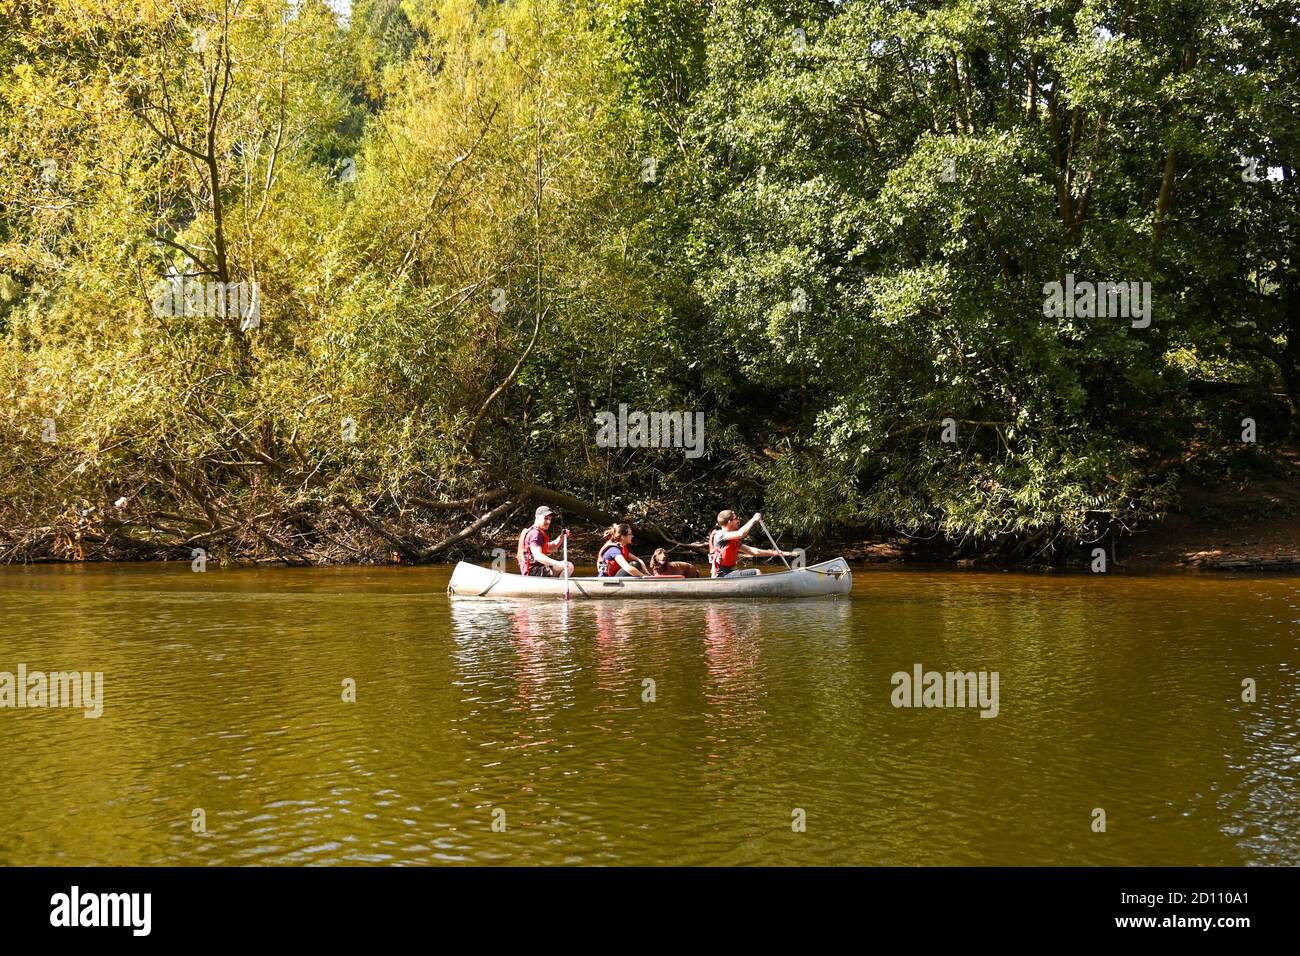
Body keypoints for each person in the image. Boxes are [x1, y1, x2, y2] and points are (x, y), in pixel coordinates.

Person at [708, 510, 797, 577]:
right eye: (735, 519)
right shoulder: (720, 535)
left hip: (729, 573)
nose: (738, 521)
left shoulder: (733, 540)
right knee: (756, 572)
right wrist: (753, 519)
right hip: (721, 575)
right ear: (729, 522)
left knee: (752, 572)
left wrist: (773, 553)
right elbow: (741, 534)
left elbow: (753, 552)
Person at [516, 506, 574, 577]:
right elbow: (538, 556)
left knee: (564, 565)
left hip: (533, 569)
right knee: (569, 566)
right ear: (537, 517)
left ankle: (556, 584)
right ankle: (559, 587)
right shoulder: (535, 534)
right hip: (533, 571)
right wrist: (557, 563)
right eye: (546, 518)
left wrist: (561, 537)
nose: (549, 522)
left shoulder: (535, 531)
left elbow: (552, 547)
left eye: (550, 519)